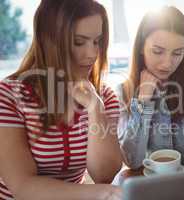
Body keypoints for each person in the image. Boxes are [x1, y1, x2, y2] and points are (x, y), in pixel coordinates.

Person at [0, 0, 122, 199]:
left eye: (97, 41)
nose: (92, 54)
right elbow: (23, 186)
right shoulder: (8, 96)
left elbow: (103, 175)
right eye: (79, 42)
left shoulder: (104, 97)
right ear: (50, 42)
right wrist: (105, 193)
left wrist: (95, 107)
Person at [117, 6, 184, 170]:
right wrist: (143, 102)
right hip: (151, 187)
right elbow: (132, 160)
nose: (168, 64)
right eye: (158, 51)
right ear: (141, 47)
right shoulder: (124, 91)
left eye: (177, 53)